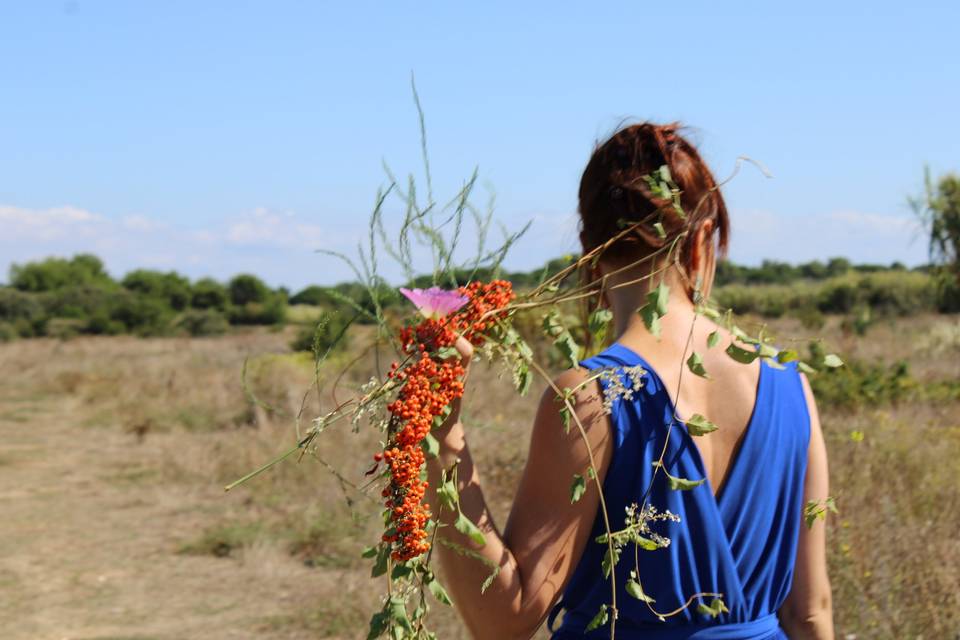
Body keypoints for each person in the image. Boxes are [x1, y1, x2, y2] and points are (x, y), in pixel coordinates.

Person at [426, 123, 833, 639]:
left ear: (587, 250)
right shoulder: (789, 384)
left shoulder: (591, 397)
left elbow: (504, 619)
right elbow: (810, 612)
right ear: (704, 238)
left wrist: (441, 437)